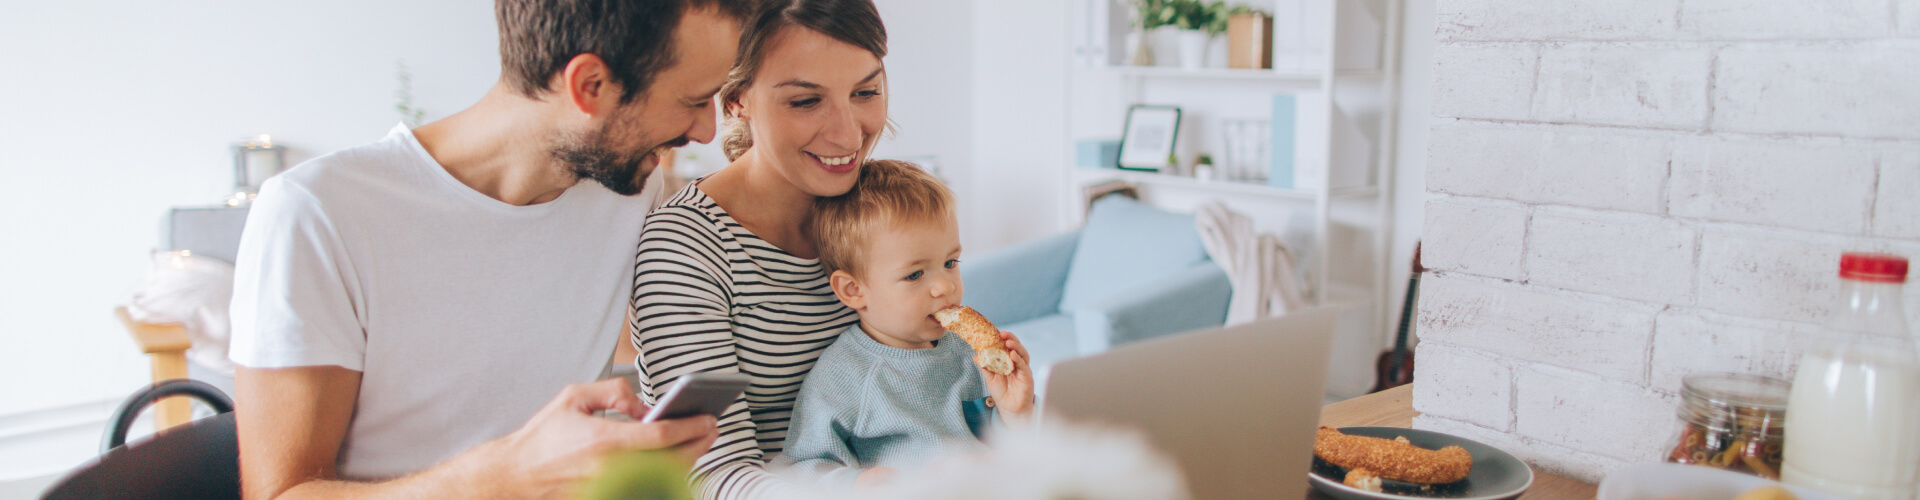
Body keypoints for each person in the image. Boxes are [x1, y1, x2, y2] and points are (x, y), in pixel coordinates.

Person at [226, 0, 749, 498]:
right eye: (692, 100)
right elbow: (280, 493)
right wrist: (505, 479)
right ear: (590, 86)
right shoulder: (319, 213)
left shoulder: (628, 191)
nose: (705, 131)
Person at [629, 1, 1017, 498]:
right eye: (805, 101)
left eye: (866, 92)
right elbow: (712, 475)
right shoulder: (685, 247)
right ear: (736, 100)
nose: (848, 133)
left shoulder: (880, 209)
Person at [772, 160, 1036, 487]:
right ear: (854, 290)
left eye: (950, 263)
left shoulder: (969, 353)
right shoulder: (844, 375)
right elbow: (798, 469)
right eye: (914, 274)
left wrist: (1016, 412)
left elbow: (1013, 450)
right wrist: (855, 484)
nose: (945, 286)